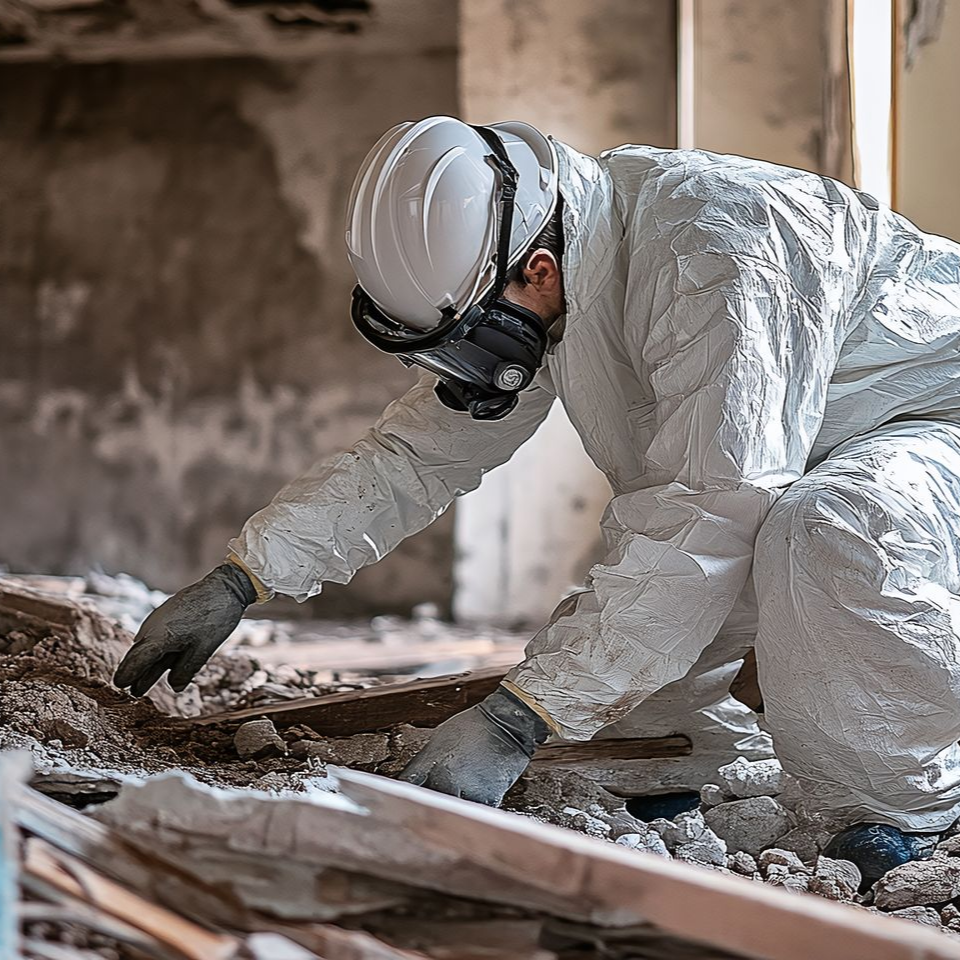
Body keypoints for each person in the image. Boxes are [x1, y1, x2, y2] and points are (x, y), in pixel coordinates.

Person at [115, 116, 960, 884]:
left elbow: (714, 507)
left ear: (539, 269)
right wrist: (243, 577)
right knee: (654, 630)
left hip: (933, 425)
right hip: (808, 448)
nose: (474, 370)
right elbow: (415, 456)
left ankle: (896, 805)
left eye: (474, 342)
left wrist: (521, 719)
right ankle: (680, 766)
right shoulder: (554, 275)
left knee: (834, 525)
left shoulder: (716, 249)